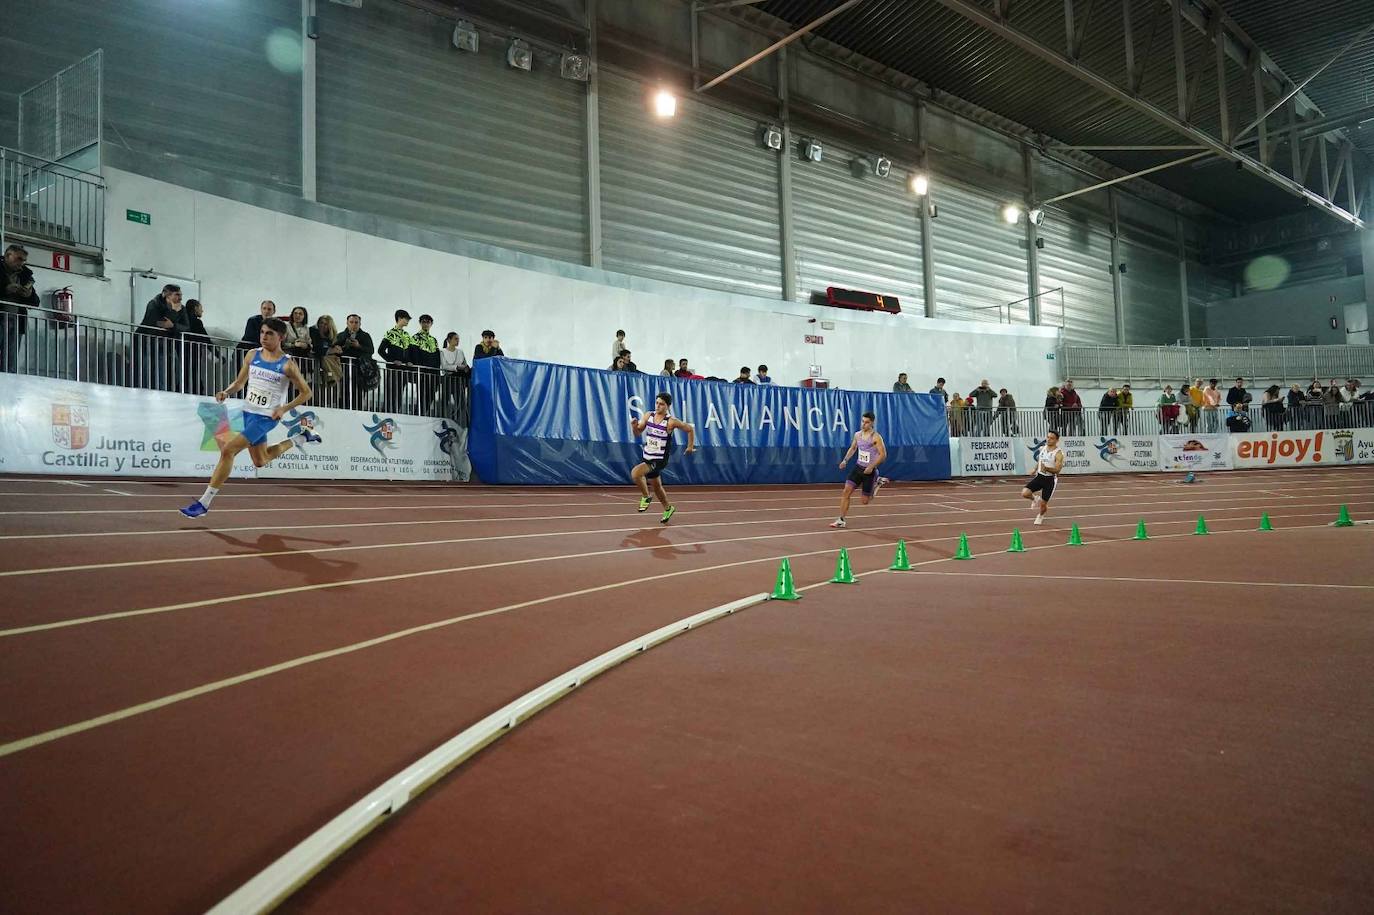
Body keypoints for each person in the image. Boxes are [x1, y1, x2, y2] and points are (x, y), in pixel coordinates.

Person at [179, 317, 322, 518]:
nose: (264, 337)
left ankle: (204, 503)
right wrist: (226, 392)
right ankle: (302, 437)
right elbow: (239, 383)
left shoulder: (287, 364)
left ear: (280, 337)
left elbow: (306, 392)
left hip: (266, 418)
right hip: (248, 413)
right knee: (260, 461)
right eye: (262, 332)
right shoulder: (252, 355)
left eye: (269, 334)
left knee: (228, 450)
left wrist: (284, 408)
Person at [630, 392, 695, 524]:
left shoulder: (671, 422)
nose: (658, 406)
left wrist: (689, 446)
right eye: (657, 403)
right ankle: (668, 508)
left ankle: (646, 496)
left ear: (668, 406)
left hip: (659, 459)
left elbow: (689, 429)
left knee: (636, 473)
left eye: (662, 404)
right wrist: (633, 426)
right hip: (647, 456)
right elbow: (638, 433)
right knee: (657, 486)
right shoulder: (648, 415)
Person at [829, 411, 887, 529]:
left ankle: (878, 483)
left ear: (872, 423)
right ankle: (841, 519)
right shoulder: (857, 435)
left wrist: (871, 467)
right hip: (858, 468)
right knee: (846, 491)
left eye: (866, 422)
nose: (863, 424)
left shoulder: (876, 437)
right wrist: (845, 460)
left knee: (865, 501)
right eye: (862, 421)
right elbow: (853, 448)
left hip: (869, 472)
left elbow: (883, 455)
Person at [1, 243, 39, 372]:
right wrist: (4, 290)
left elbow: (35, 303)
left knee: (10, 360)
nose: (21, 263)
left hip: (16, 321)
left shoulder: (25, 276)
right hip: (2, 318)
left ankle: (7, 388)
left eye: (23, 260)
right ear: (8, 255)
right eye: (19, 259)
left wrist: (29, 295)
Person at [1021, 430, 1064, 526]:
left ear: (1057, 440)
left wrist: (1047, 468)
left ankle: (1040, 515)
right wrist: (1035, 469)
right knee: (1025, 493)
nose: (1048, 439)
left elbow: (1057, 470)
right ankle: (1034, 498)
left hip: (1050, 480)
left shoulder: (1058, 454)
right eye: (1048, 437)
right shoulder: (1042, 448)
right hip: (1040, 476)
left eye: (1051, 438)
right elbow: (1040, 460)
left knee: (1043, 504)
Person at [336, 313, 376, 408]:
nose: (354, 324)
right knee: (343, 391)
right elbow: (334, 349)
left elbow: (371, 351)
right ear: (347, 323)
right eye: (351, 322)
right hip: (344, 368)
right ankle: (343, 409)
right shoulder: (340, 335)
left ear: (360, 324)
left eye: (356, 322)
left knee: (358, 392)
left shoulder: (365, 336)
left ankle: (357, 411)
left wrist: (359, 346)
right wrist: (344, 347)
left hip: (360, 370)